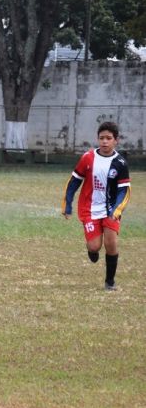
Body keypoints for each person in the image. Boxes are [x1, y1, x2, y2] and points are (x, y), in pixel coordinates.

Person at [62, 121, 131, 290]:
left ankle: (110, 282)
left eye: (109, 138)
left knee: (111, 244)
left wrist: (117, 208)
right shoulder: (88, 158)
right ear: (98, 139)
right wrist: (67, 204)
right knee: (94, 246)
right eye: (102, 138)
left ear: (116, 140)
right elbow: (74, 181)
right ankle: (92, 251)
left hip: (111, 209)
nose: (105, 142)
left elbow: (124, 190)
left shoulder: (120, 163)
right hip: (89, 208)